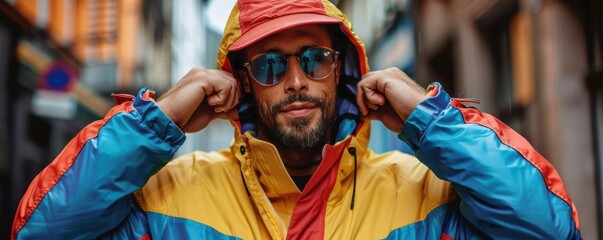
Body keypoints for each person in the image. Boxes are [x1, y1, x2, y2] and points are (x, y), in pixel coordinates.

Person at [12, 0, 581, 239]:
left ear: (343, 72)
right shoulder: (167, 197)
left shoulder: (424, 195)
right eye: (268, 65)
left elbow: (551, 230)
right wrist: (154, 122)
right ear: (241, 88)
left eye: (314, 58)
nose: (295, 80)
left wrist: (431, 122)